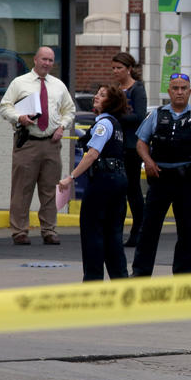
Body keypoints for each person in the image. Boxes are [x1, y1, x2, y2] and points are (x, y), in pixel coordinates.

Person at [131, 73, 191, 277]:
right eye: (175, 88)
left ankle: (182, 275)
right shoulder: (156, 115)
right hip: (161, 179)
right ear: (169, 91)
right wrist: (148, 160)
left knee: (188, 231)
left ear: (189, 91)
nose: (179, 92)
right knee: (149, 229)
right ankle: (140, 273)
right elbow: (141, 142)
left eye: (184, 88)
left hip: (188, 182)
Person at [0, 46, 76, 246]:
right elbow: (5, 106)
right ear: (35, 60)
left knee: (50, 189)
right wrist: (19, 117)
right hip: (28, 143)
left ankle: (49, 230)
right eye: (44, 59)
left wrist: (62, 127)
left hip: (51, 143)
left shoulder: (58, 85)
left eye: (50, 60)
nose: (47, 63)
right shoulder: (20, 83)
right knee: (22, 189)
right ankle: (19, 231)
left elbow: (70, 110)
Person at [58, 84, 131, 281]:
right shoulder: (116, 125)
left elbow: (92, 154)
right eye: (97, 94)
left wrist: (70, 177)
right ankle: (120, 280)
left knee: (93, 232)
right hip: (118, 180)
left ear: (111, 102)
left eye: (102, 95)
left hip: (103, 181)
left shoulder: (103, 124)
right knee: (113, 234)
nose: (96, 97)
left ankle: (92, 281)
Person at [110, 52, 148, 247]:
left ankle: (139, 231)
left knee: (132, 189)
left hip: (131, 147)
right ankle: (117, 230)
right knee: (119, 190)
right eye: (114, 68)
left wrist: (115, 115)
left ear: (129, 69)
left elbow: (140, 117)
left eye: (120, 68)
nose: (116, 71)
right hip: (117, 144)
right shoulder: (116, 89)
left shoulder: (137, 90)